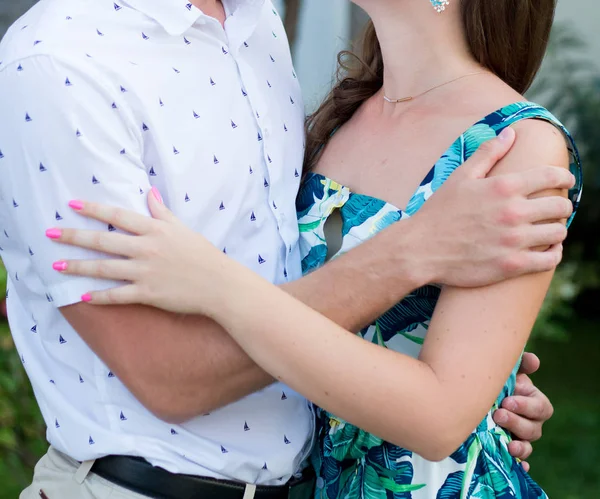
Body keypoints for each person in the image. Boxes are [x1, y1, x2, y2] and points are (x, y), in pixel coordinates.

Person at [0, 0, 573, 498]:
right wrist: (411, 261)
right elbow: (172, 373)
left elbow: (441, 412)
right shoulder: (59, 63)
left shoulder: (513, 145)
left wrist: (483, 379)